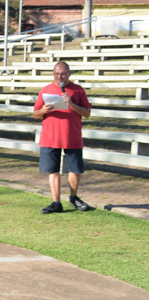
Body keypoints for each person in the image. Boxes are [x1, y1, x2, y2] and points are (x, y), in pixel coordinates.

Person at [33, 61, 93, 214]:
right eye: (56, 74)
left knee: (75, 169)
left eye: (63, 74)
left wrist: (71, 103)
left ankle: (73, 198)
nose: (59, 77)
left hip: (71, 135)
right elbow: (35, 114)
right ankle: (56, 202)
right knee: (53, 170)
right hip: (50, 136)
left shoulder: (78, 90)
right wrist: (43, 110)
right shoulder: (45, 90)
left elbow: (86, 113)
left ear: (69, 73)